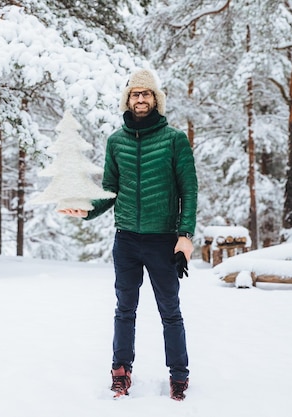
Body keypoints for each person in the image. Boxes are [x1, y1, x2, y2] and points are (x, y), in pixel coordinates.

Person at [59, 68, 198, 401]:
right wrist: (88, 209)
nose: (140, 98)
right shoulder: (116, 141)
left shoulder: (174, 139)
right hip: (127, 240)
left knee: (170, 310)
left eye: (146, 93)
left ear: (156, 100)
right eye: (135, 94)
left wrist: (185, 234)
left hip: (163, 239)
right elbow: (110, 188)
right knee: (125, 309)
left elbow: (188, 190)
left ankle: (179, 375)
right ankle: (120, 372)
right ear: (127, 99)